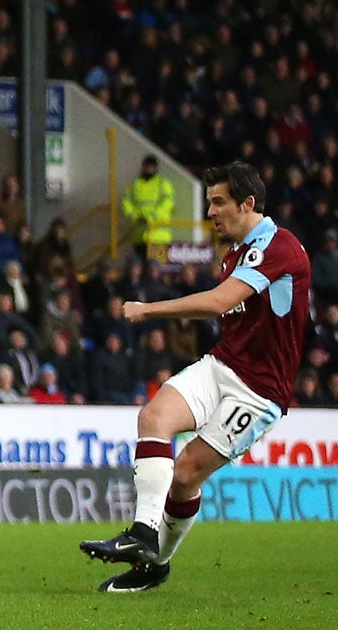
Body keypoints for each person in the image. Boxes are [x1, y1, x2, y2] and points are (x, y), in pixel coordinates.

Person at [83, 163, 314, 593]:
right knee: (153, 417)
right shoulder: (236, 253)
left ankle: (156, 565)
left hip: (259, 392)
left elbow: (216, 303)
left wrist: (147, 310)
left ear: (247, 204)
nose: (210, 212)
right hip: (223, 366)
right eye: (210, 202)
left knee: (187, 473)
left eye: (218, 202)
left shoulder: (280, 248)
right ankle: (143, 533)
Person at [120, 154, 174, 259]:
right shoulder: (135, 185)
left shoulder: (163, 184)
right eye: (146, 166)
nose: (148, 169)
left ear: (156, 168)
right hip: (139, 236)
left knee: (156, 270)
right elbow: (126, 202)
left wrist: (149, 217)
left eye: (151, 166)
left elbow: (167, 204)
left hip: (159, 237)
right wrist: (136, 216)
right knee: (140, 269)